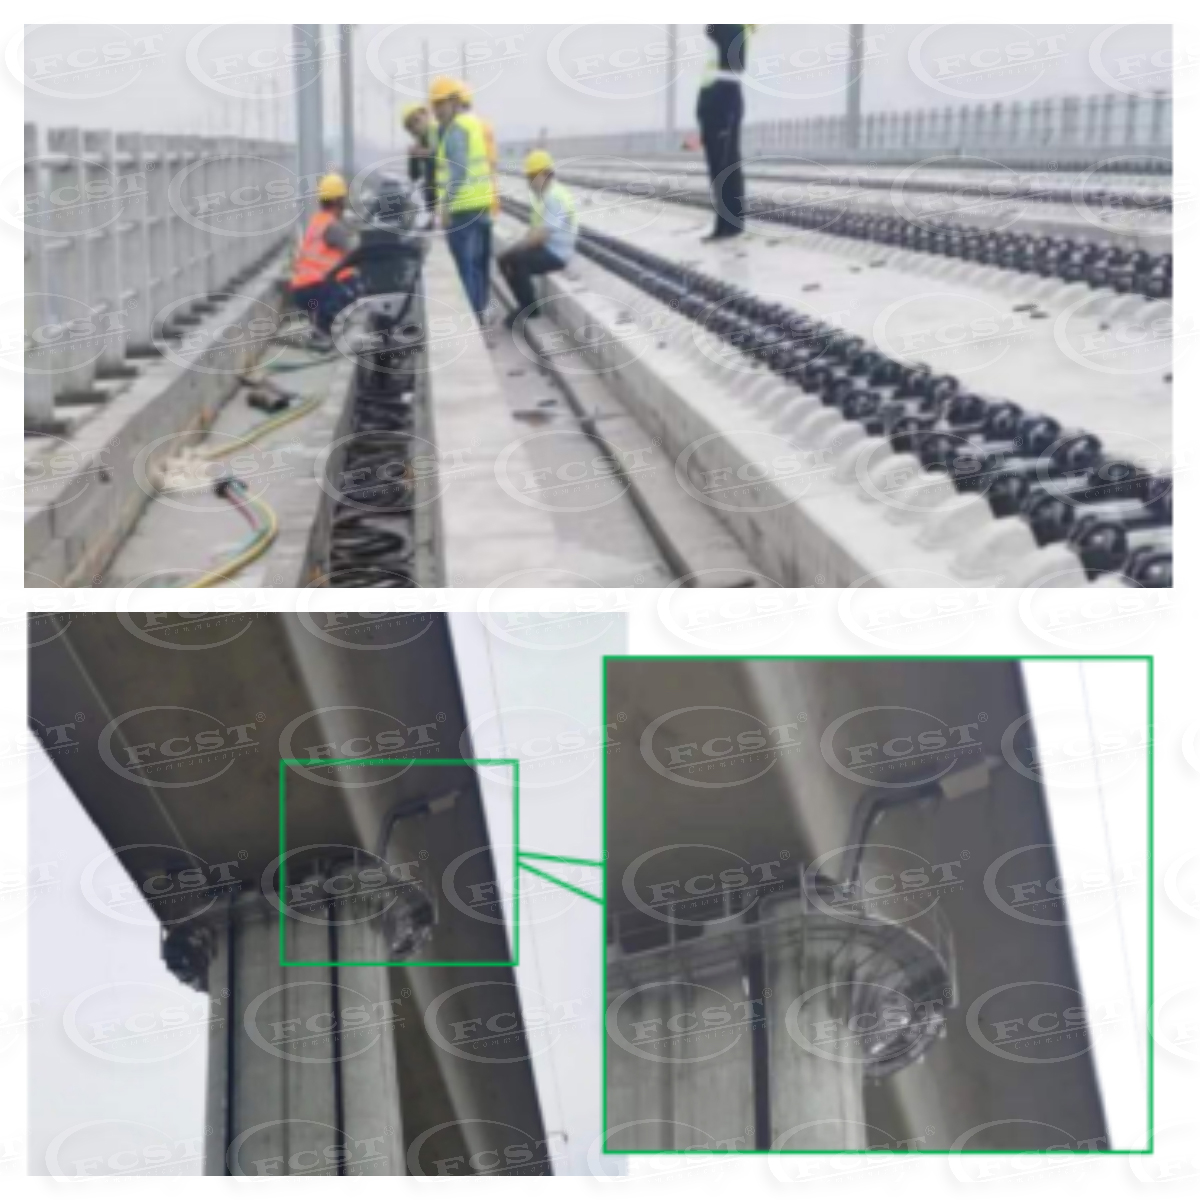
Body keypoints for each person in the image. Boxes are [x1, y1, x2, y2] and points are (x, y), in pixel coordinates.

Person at [430, 75, 496, 321]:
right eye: (434, 105)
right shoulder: (473, 124)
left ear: (455, 102)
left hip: (462, 209)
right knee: (477, 266)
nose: (437, 111)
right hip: (480, 205)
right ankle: (479, 313)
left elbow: (458, 170)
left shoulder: (456, 130)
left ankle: (471, 318)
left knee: (465, 268)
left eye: (441, 104)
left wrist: (445, 205)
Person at [497, 150, 576, 328]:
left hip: (557, 253)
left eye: (532, 177)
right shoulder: (545, 195)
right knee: (507, 259)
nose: (529, 182)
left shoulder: (554, 197)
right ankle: (526, 304)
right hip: (548, 248)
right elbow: (535, 231)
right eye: (528, 177)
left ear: (543, 175)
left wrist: (518, 248)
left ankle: (529, 308)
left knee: (516, 260)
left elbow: (540, 236)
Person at [697, 24, 752, 241]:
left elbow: (734, 66)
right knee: (719, 164)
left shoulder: (730, 27)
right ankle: (725, 223)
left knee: (724, 164)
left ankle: (730, 225)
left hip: (722, 99)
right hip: (716, 98)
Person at [290, 172, 357, 338]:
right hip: (316, 291)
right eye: (343, 200)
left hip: (302, 293)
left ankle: (320, 320)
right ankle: (322, 329)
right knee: (352, 288)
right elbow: (354, 255)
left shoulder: (317, 221)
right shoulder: (333, 227)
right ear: (338, 201)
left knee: (342, 279)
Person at [401, 102, 436, 211]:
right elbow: (414, 176)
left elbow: (448, 161)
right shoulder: (420, 143)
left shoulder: (438, 132)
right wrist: (413, 158)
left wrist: (427, 154)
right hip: (433, 200)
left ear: (426, 115)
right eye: (410, 127)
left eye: (417, 120)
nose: (415, 128)